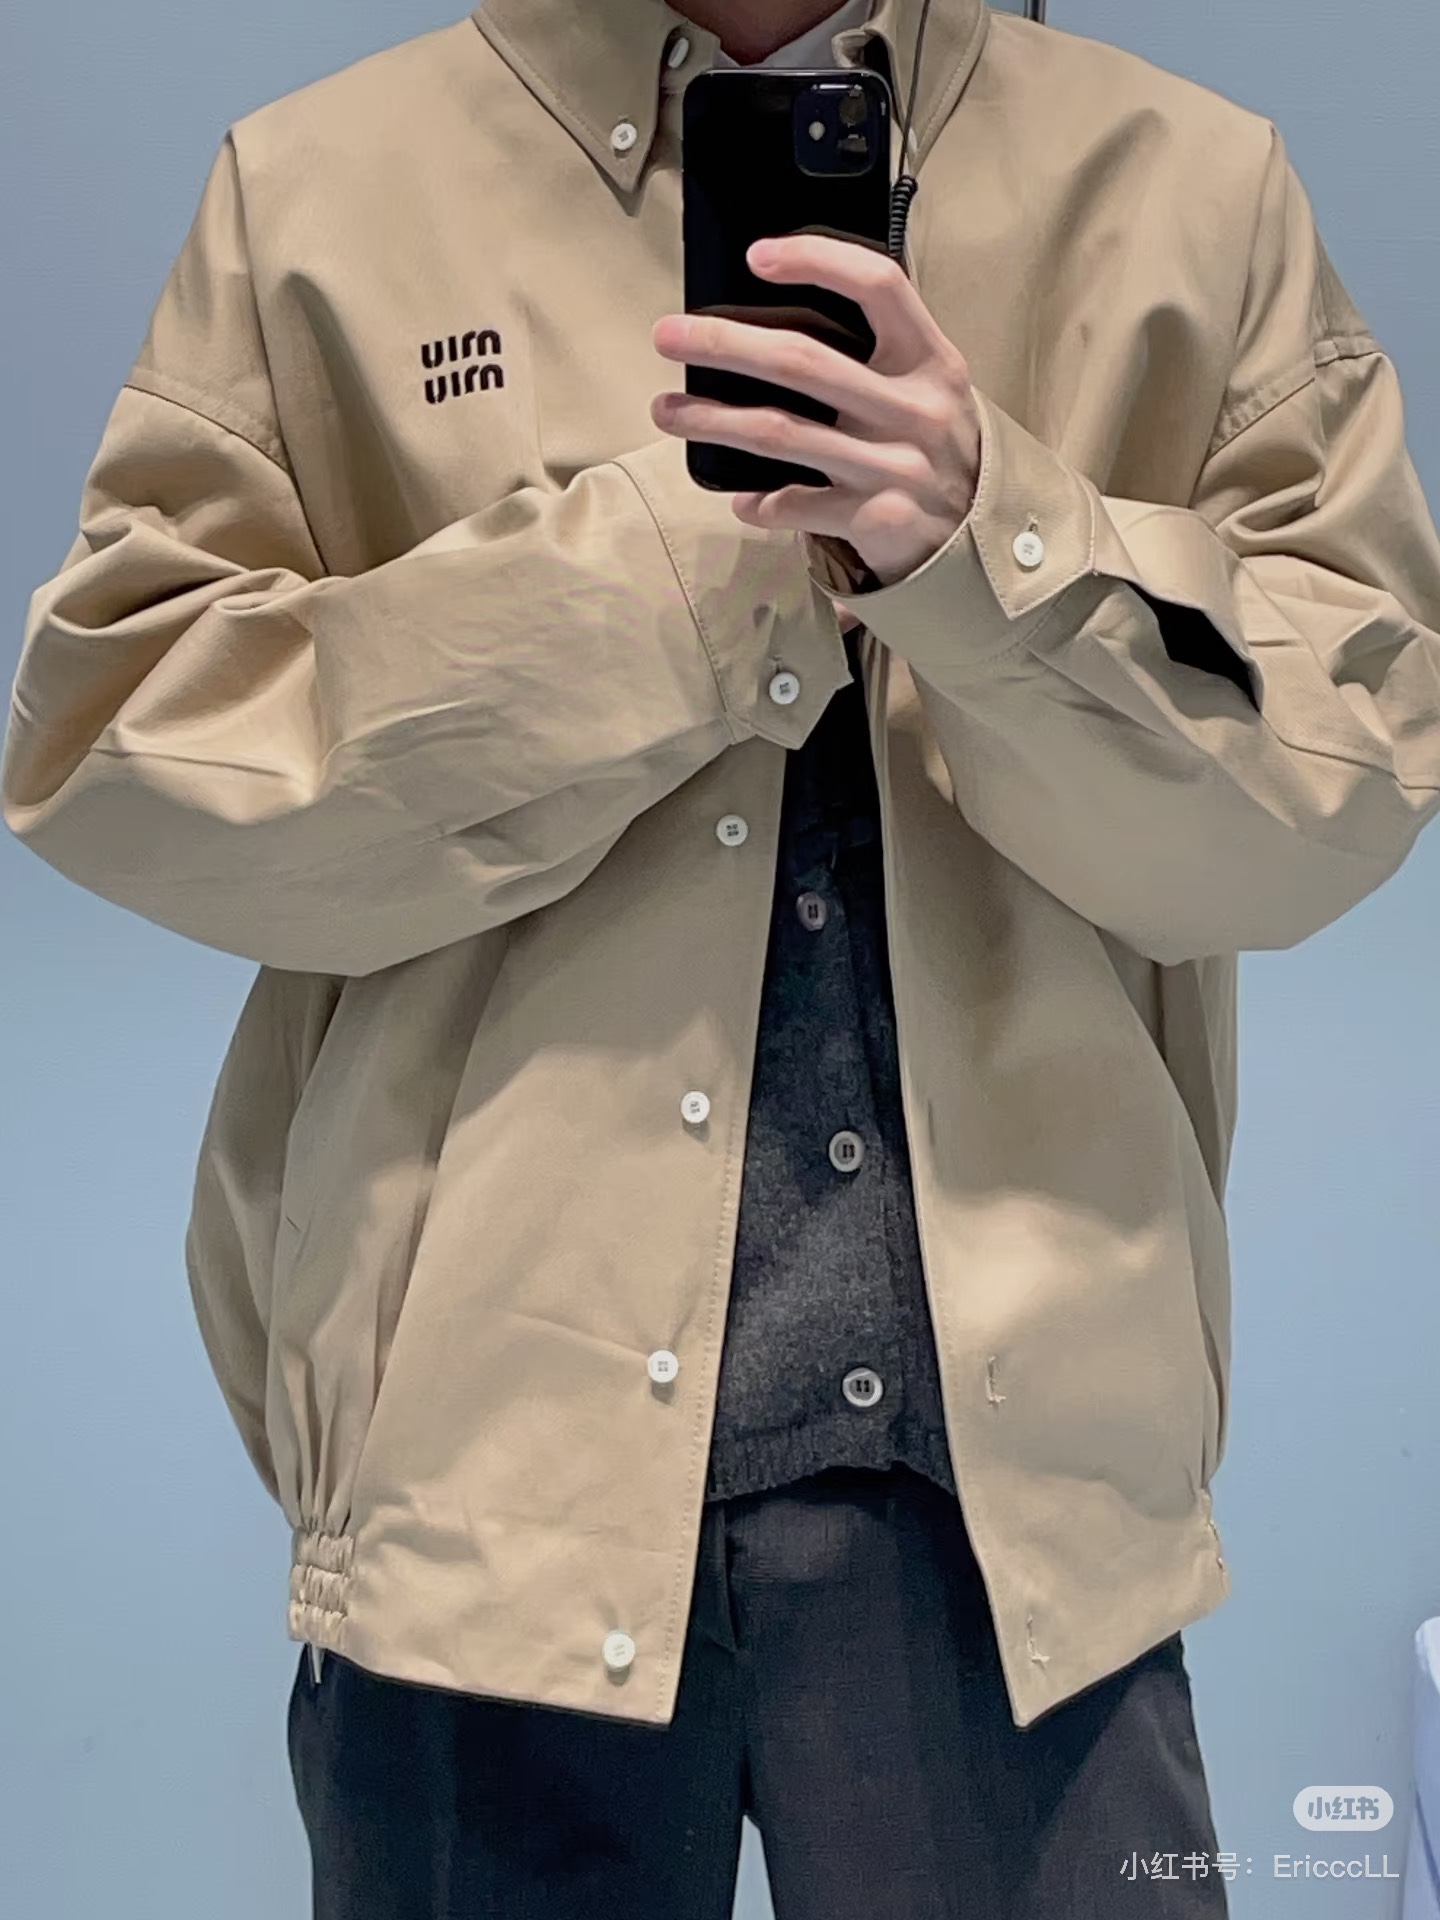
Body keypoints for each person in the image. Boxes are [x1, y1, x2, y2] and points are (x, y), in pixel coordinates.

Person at [5, 0, 1439, 1913]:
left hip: (1024, 1516)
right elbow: (120, 763)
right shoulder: (321, 192)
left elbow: (1344, 784)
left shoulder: (1190, 189)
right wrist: (671, 587)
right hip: (476, 1500)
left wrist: (994, 544)